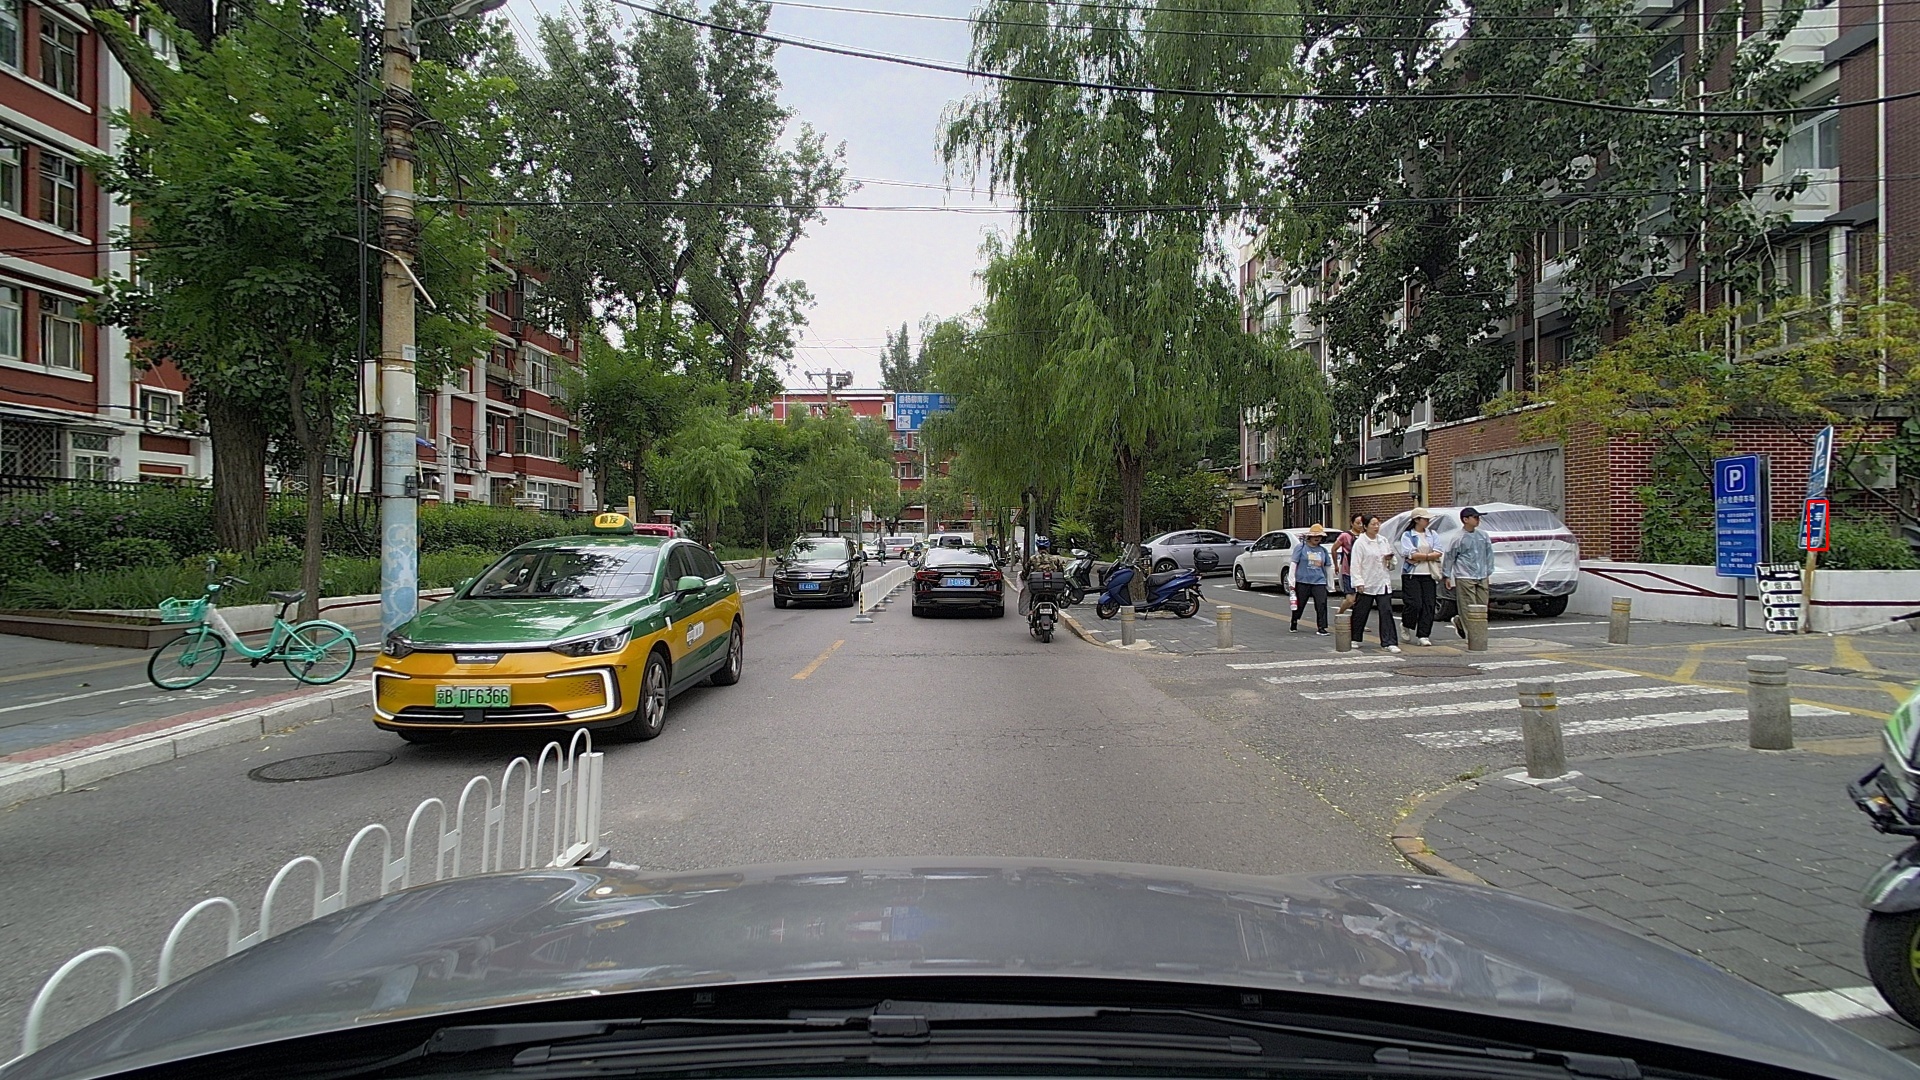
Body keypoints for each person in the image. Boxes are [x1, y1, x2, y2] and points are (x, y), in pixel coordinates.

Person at [1348, 515, 1400, 653]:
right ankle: (1355, 638)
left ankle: (1389, 642)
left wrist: (1390, 559)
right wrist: (1358, 581)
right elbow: (1355, 564)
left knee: (1386, 611)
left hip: (1382, 581)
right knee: (1361, 611)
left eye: (1378, 524)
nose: (1376, 527)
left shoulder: (1383, 540)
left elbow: (1392, 561)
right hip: (1367, 581)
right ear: (1365, 526)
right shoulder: (1360, 543)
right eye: (1373, 524)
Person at [1442, 506, 1495, 640]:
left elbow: (1489, 554)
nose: (1478, 520)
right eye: (1475, 517)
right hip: (1464, 575)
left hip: (1481, 575)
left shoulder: (1483, 535)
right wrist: (1447, 575)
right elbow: (1450, 556)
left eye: (1478, 517)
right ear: (1465, 520)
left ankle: (1463, 623)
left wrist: (1488, 571)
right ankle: (1472, 636)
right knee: (1468, 606)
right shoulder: (1458, 538)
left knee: (1482, 606)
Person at [1399, 509, 1444, 646]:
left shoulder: (1432, 534)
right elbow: (1410, 553)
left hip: (1429, 573)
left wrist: (1422, 557)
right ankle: (1406, 624)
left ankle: (1423, 635)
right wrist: (1429, 556)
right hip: (1411, 574)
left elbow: (1438, 551)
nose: (1427, 521)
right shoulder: (1408, 535)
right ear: (1417, 520)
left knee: (1428, 605)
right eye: (1425, 519)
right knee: (1414, 603)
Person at [1289, 523, 1332, 636]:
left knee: (1321, 604)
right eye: (1314, 536)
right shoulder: (1301, 548)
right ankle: (1294, 621)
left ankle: (1322, 627)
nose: (1317, 538)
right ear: (1309, 536)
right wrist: (1292, 580)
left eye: (1319, 536)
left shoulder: (1323, 550)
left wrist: (1330, 584)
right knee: (1300, 604)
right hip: (1303, 581)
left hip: (1319, 581)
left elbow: (1328, 567)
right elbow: (1293, 564)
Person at [1021, 537, 1069, 616]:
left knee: (1032, 595)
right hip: (1052, 586)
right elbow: (1061, 572)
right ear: (1047, 547)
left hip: (1037, 585)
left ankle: (1031, 612)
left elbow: (1026, 571)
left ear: (1037, 547)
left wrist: (1023, 577)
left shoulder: (1033, 558)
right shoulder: (1055, 559)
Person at [1333, 512, 1363, 596]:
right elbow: (1334, 549)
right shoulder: (1345, 535)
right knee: (1350, 596)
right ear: (1352, 523)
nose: (1360, 525)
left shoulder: (1365, 536)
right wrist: (1336, 565)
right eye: (1358, 523)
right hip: (1347, 570)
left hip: (1362, 570)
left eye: (1362, 523)